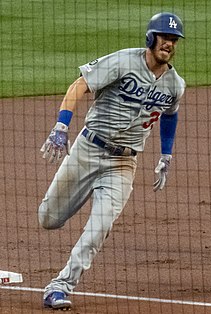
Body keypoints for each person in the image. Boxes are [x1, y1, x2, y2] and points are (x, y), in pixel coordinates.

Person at [38, 12, 185, 310]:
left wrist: (166, 154)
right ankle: (76, 196)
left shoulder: (175, 84)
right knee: (49, 219)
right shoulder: (123, 62)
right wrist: (61, 126)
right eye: (163, 37)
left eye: (173, 39)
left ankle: (60, 285)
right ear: (150, 37)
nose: (168, 43)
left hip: (123, 164)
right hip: (87, 150)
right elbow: (80, 85)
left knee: (99, 227)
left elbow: (171, 113)